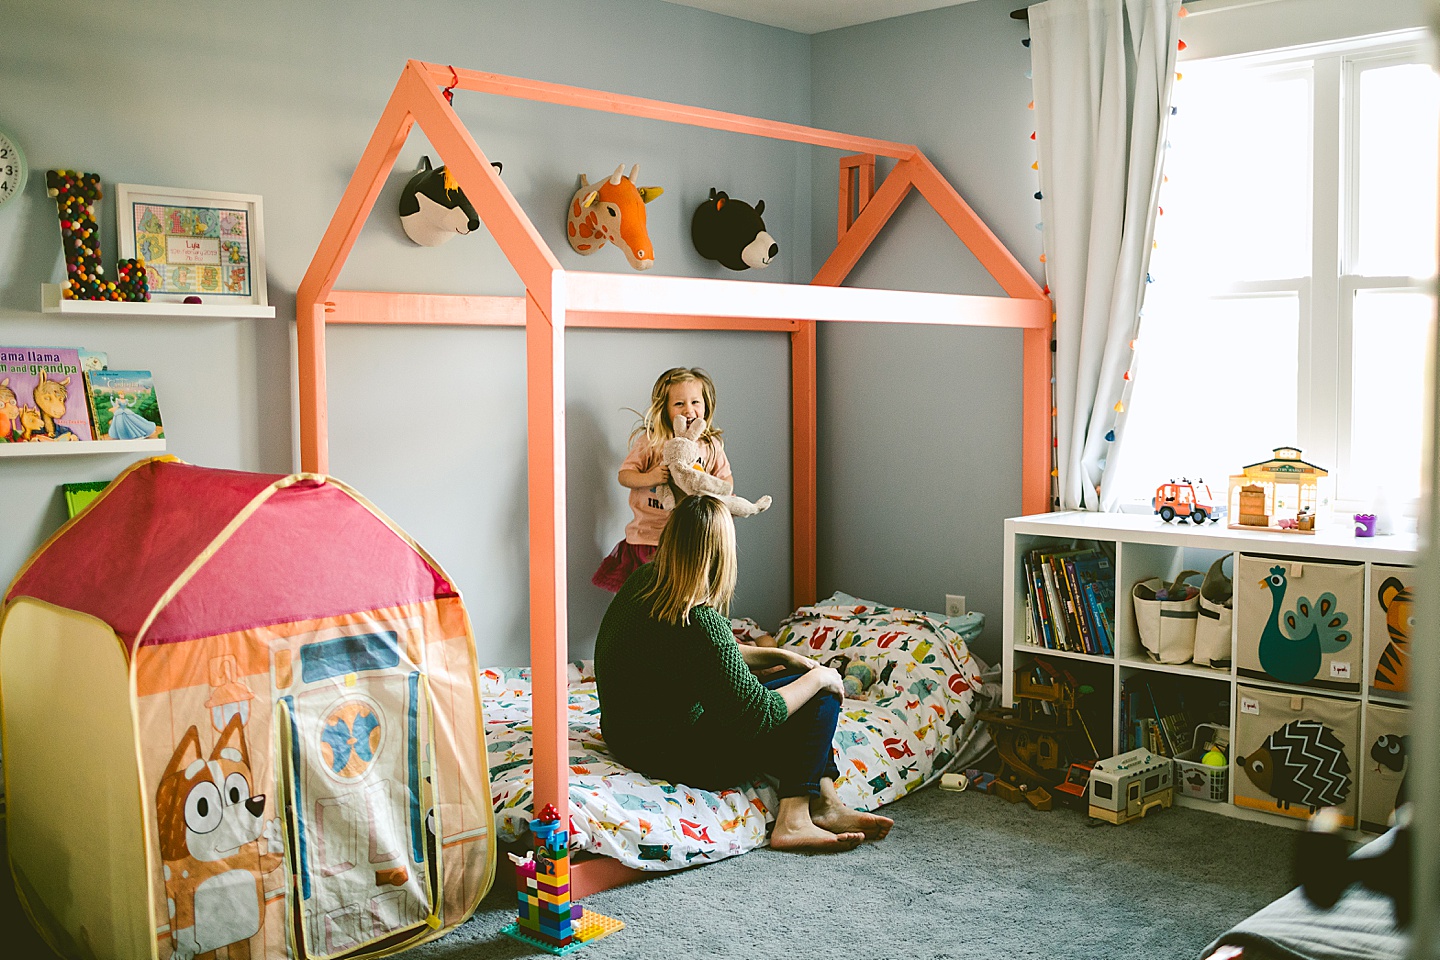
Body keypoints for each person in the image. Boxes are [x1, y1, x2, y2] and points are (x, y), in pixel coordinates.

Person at [594, 494, 892, 852]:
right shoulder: (701, 621)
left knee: (789, 691)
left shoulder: (645, 584)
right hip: (678, 756)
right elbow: (756, 716)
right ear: (722, 554)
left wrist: (777, 655)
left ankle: (826, 803)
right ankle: (793, 820)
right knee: (817, 697)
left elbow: (704, 656)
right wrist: (819, 676)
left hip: (629, 740)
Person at [593, 366, 737, 592]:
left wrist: (713, 492)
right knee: (649, 594)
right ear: (665, 408)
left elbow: (725, 480)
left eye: (695, 402)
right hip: (650, 537)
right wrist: (650, 477)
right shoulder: (653, 441)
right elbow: (625, 475)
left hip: (692, 537)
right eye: (679, 404)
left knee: (686, 592)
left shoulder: (710, 445)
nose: (688, 410)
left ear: (706, 405)